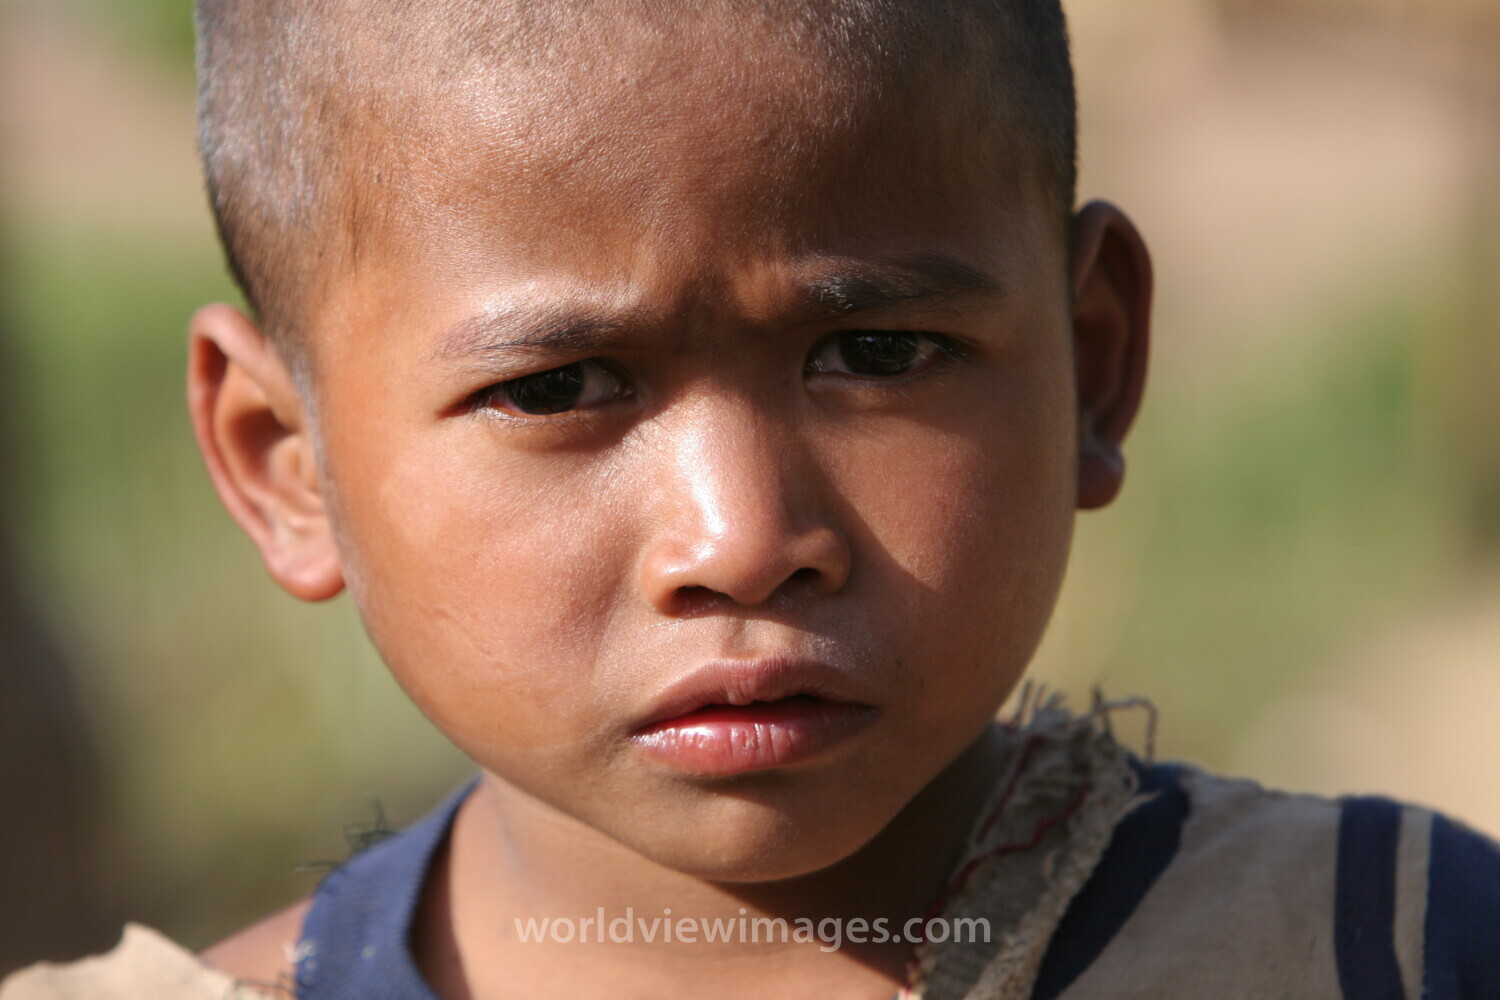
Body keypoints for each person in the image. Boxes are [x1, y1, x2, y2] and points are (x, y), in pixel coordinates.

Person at [4, 1, 1498, 998]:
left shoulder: (1388, 945)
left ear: (1093, 365)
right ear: (286, 462)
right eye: (562, 388)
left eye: (876, 351)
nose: (742, 541)